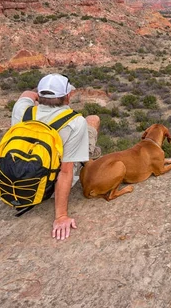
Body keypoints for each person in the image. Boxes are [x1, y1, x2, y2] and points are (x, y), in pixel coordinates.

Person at [11, 73, 101, 241]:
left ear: (40, 95)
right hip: (48, 185)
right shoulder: (74, 122)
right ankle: (90, 160)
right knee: (93, 120)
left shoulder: (22, 110)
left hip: (19, 180)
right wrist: (61, 216)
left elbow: (26, 94)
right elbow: (65, 172)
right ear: (67, 97)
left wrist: (40, 96)